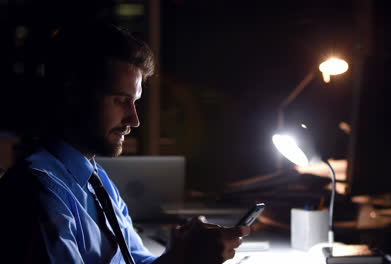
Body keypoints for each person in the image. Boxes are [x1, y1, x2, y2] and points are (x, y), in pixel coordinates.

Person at [0, 21, 249, 264]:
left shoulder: (99, 183)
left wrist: (186, 251)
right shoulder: (38, 193)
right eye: (120, 100)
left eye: (135, 102)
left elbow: (137, 260)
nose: (134, 119)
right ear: (74, 94)